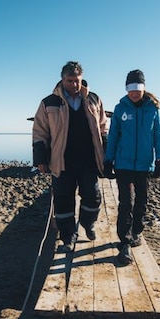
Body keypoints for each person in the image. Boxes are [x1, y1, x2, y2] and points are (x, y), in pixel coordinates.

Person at [32, 61, 109, 252]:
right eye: (70, 81)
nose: (74, 85)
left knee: (92, 196)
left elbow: (103, 128)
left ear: (82, 80)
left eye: (77, 80)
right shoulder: (49, 102)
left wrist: (108, 156)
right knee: (63, 199)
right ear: (62, 79)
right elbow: (40, 131)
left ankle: (87, 223)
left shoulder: (93, 99)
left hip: (89, 159)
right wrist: (40, 159)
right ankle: (67, 237)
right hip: (61, 160)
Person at [103, 69, 160, 265]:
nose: (134, 93)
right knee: (126, 203)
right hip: (123, 164)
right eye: (131, 89)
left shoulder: (153, 109)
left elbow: (159, 136)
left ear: (143, 88)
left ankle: (137, 232)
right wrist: (108, 160)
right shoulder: (121, 108)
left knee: (141, 202)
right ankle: (125, 241)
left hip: (144, 165)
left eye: (137, 89)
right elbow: (113, 136)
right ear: (126, 89)